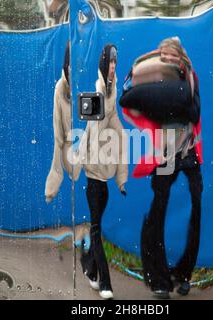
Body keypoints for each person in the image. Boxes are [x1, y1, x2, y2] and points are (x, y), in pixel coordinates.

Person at [120, 37, 203, 299]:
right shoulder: (150, 78)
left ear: (178, 58)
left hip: (189, 154)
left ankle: (184, 274)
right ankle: (158, 278)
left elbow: (194, 112)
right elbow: (128, 99)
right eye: (163, 56)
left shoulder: (190, 77)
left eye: (170, 56)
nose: (166, 60)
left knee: (194, 207)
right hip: (165, 156)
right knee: (159, 209)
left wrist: (178, 98)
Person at [79, 44, 128, 300]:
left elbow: (115, 124)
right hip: (93, 176)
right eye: (109, 63)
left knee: (97, 226)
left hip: (105, 178)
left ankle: (88, 264)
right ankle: (105, 282)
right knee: (97, 229)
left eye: (115, 64)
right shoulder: (98, 92)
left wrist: (121, 179)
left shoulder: (111, 93)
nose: (112, 68)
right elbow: (93, 132)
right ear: (102, 65)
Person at [45, 43, 80, 203]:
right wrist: (51, 188)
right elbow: (58, 138)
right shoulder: (60, 88)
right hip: (69, 143)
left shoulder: (88, 83)